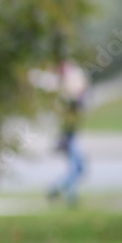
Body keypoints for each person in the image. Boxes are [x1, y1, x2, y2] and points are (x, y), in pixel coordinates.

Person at [47, 59, 89, 206]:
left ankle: (62, 189)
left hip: (69, 133)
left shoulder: (71, 96)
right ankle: (63, 190)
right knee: (77, 166)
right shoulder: (70, 99)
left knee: (77, 166)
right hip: (68, 134)